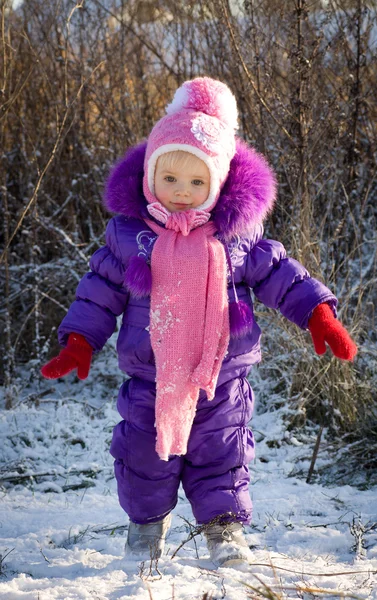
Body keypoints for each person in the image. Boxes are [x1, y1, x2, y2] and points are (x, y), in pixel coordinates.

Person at [41, 77, 357, 568]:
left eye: (196, 182)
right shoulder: (131, 238)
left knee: (222, 455)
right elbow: (98, 292)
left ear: (218, 182)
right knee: (144, 456)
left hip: (221, 376)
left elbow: (281, 275)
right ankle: (145, 530)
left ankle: (224, 531)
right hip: (152, 376)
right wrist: (79, 341)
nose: (182, 194)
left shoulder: (236, 238)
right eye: (170, 180)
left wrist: (317, 313)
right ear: (149, 177)